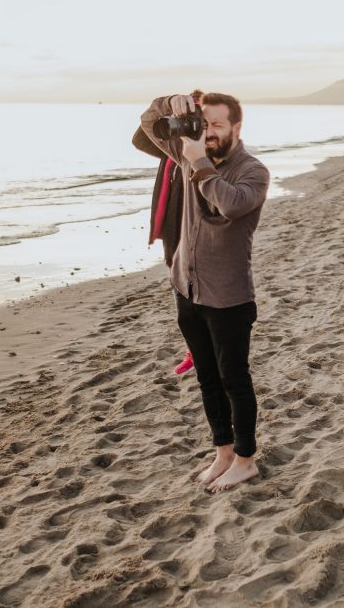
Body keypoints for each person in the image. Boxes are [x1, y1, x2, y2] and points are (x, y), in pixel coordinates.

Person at [139, 91, 270, 492]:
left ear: (236, 127)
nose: (208, 133)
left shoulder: (253, 171)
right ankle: (224, 453)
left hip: (228, 297)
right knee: (208, 380)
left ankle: (246, 460)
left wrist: (197, 161)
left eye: (216, 125)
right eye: (203, 123)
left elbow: (228, 206)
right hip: (187, 288)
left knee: (234, 380)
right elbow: (148, 124)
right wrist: (172, 103)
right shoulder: (187, 151)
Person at [131, 88, 206, 375]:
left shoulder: (206, 150)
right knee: (183, 303)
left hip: (199, 236)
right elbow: (139, 138)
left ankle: (204, 350)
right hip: (174, 235)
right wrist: (170, 108)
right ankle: (195, 350)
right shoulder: (169, 147)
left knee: (201, 300)